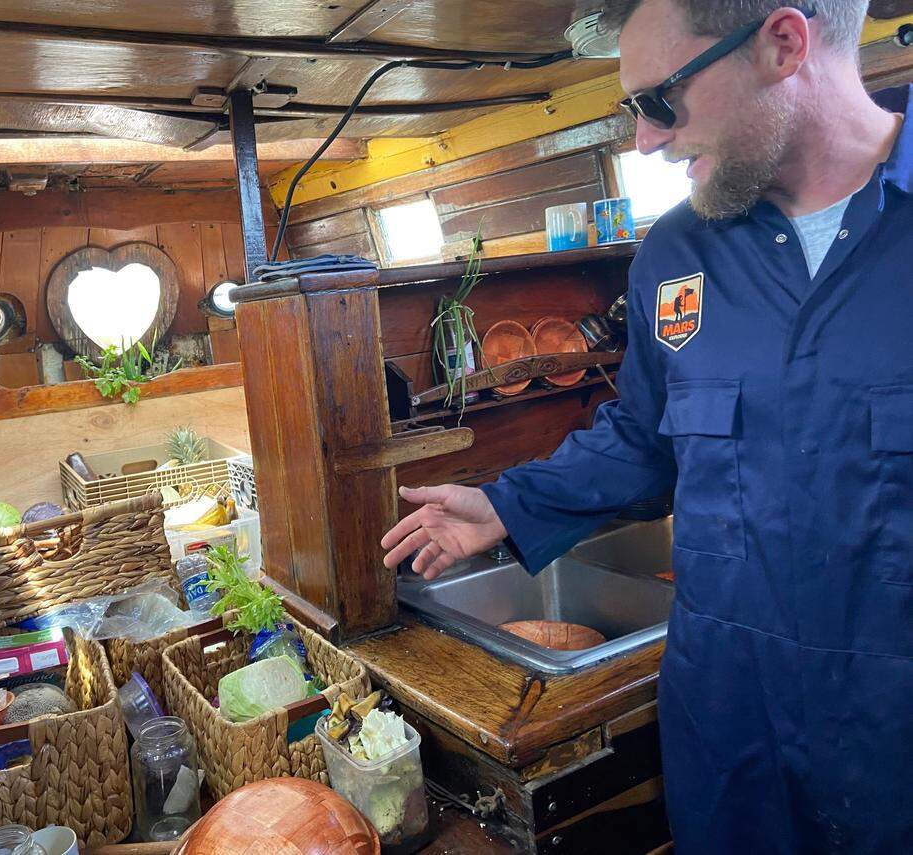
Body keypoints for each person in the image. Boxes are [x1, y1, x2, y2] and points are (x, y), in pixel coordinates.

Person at [380, 2, 912, 852]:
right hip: (733, 742)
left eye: (661, 100)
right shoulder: (676, 256)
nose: (645, 142)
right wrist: (507, 507)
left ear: (782, 44)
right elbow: (644, 438)